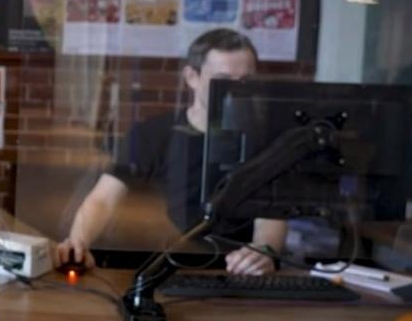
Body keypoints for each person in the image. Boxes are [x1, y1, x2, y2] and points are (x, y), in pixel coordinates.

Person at [55, 28, 286, 275]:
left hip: (233, 271)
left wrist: (264, 252)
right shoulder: (151, 134)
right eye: (223, 80)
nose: (235, 90)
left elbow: (271, 216)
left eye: (245, 81)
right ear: (191, 77)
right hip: (158, 267)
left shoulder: (265, 141)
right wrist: (78, 244)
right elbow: (103, 199)